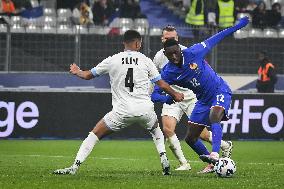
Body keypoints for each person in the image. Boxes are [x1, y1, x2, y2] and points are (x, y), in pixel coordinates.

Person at [53, 30, 184, 176]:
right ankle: (164, 158)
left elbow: (88, 75)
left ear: (124, 43)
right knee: (156, 129)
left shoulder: (112, 60)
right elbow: (162, 84)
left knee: (95, 134)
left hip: (121, 111)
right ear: (137, 43)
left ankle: (74, 166)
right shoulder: (146, 60)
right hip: (145, 109)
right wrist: (176, 94)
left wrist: (77, 71)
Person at [151, 17, 249, 168]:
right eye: (170, 55)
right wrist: (166, 99)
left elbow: (218, 37)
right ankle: (211, 162)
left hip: (219, 89)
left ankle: (216, 154)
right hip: (202, 100)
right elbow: (154, 94)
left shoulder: (194, 51)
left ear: (180, 49)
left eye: (176, 52)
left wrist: (238, 26)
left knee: (214, 115)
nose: (174, 57)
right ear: (165, 54)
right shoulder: (168, 72)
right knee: (190, 139)